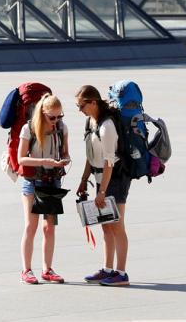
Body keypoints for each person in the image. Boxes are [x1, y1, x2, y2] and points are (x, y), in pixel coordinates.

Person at [74, 85, 131, 287]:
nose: (79, 110)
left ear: (93, 102)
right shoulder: (91, 122)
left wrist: (103, 192)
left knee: (117, 227)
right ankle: (107, 269)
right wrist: (83, 180)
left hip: (115, 179)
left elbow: (109, 162)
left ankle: (121, 273)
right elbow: (91, 156)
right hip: (101, 179)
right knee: (106, 226)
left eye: (81, 106)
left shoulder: (107, 127)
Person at [16, 93, 69, 285]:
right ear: (42, 112)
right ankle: (26, 270)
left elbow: (66, 153)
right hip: (32, 181)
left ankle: (47, 269)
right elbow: (21, 158)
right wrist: (44, 161)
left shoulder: (62, 128)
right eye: (52, 117)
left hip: (53, 181)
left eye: (59, 116)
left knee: (49, 228)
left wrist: (64, 161)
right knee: (31, 226)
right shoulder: (28, 128)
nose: (56, 120)